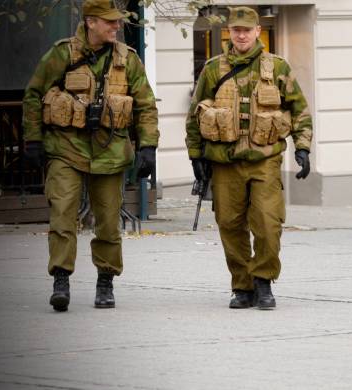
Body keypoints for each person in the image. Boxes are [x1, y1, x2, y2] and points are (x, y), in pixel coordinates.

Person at [22, 0, 159, 311]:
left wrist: (148, 146)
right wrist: (33, 140)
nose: (116, 27)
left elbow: (145, 106)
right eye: (109, 22)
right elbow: (33, 94)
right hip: (65, 149)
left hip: (110, 153)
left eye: (117, 22)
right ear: (91, 23)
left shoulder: (128, 60)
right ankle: (61, 279)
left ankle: (105, 281)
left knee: (109, 222)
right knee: (62, 216)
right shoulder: (62, 54)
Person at [185, 7, 312, 310]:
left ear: (257, 32)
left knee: (268, 224)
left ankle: (263, 280)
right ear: (230, 32)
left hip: (264, 159)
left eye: (247, 30)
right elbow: (195, 114)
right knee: (230, 225)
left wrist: (303, 147)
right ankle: (242, 286)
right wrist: (195, 156)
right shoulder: (214, 69)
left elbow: (299, 111)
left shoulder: (277, 68)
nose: (241, 35)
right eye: (236, 30)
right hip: (224, 162)